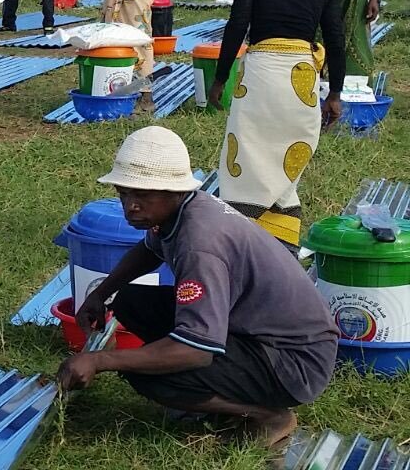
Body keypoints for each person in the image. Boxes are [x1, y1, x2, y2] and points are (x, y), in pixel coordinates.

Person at [57, 126, 338, 448]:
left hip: (294, 363)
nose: (130, 206)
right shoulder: (185, 208)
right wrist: (100, 293)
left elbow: (195, 351)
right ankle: (217, 388)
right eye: (124, 193)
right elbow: (149, 249)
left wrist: (100, 360)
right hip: (258, 333)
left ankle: (267, 415)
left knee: (151, 376)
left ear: (173, 191)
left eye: (143, 196)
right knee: (134, 300)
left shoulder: (200, 245)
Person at [208, 0, 345, 248]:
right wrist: (335, 94)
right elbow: (335, 39)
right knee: (286, 159)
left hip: (262, 73)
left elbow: (237, 25)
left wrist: (220, 78)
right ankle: (281, 244)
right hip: (301, 79)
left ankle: (240, 237)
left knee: (248, 151)